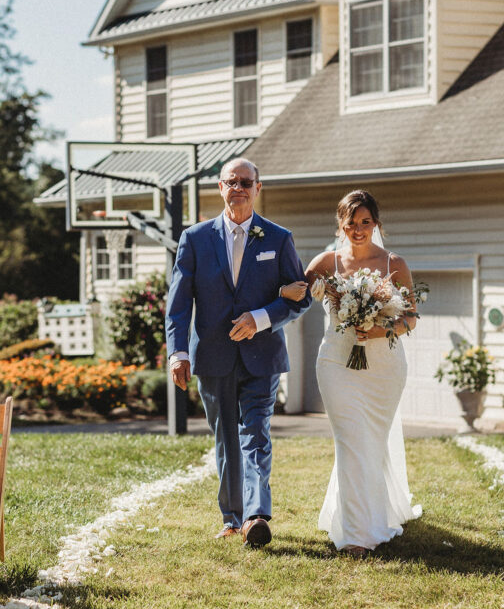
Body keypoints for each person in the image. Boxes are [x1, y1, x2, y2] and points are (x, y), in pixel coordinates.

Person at [166, 158, 311, 546]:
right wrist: (177, 353)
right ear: (220, 187)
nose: (239, 188)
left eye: (246, 182)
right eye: (232, 181)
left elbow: (301, 297)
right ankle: (232, 518)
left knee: (256, 435)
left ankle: (256, 516)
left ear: (258, 188)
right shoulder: (194, 239)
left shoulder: (278, 238)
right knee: (227, 439)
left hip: (262, 357)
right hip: (212, 357)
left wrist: (261, 317)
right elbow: (178, 304)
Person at [292, 188, 421, 557]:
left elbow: (410, 317)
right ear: (341, 223)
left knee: (371, 443)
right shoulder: (325, 262)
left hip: (384, 366)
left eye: (366, 222)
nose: (359, 228)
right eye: (352, 222)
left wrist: (383, 329)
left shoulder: (394, 263)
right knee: (350, 442)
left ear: (376, 224)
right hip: (336, 364)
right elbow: (294, 289)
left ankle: (367, 514)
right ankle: (356, 537)